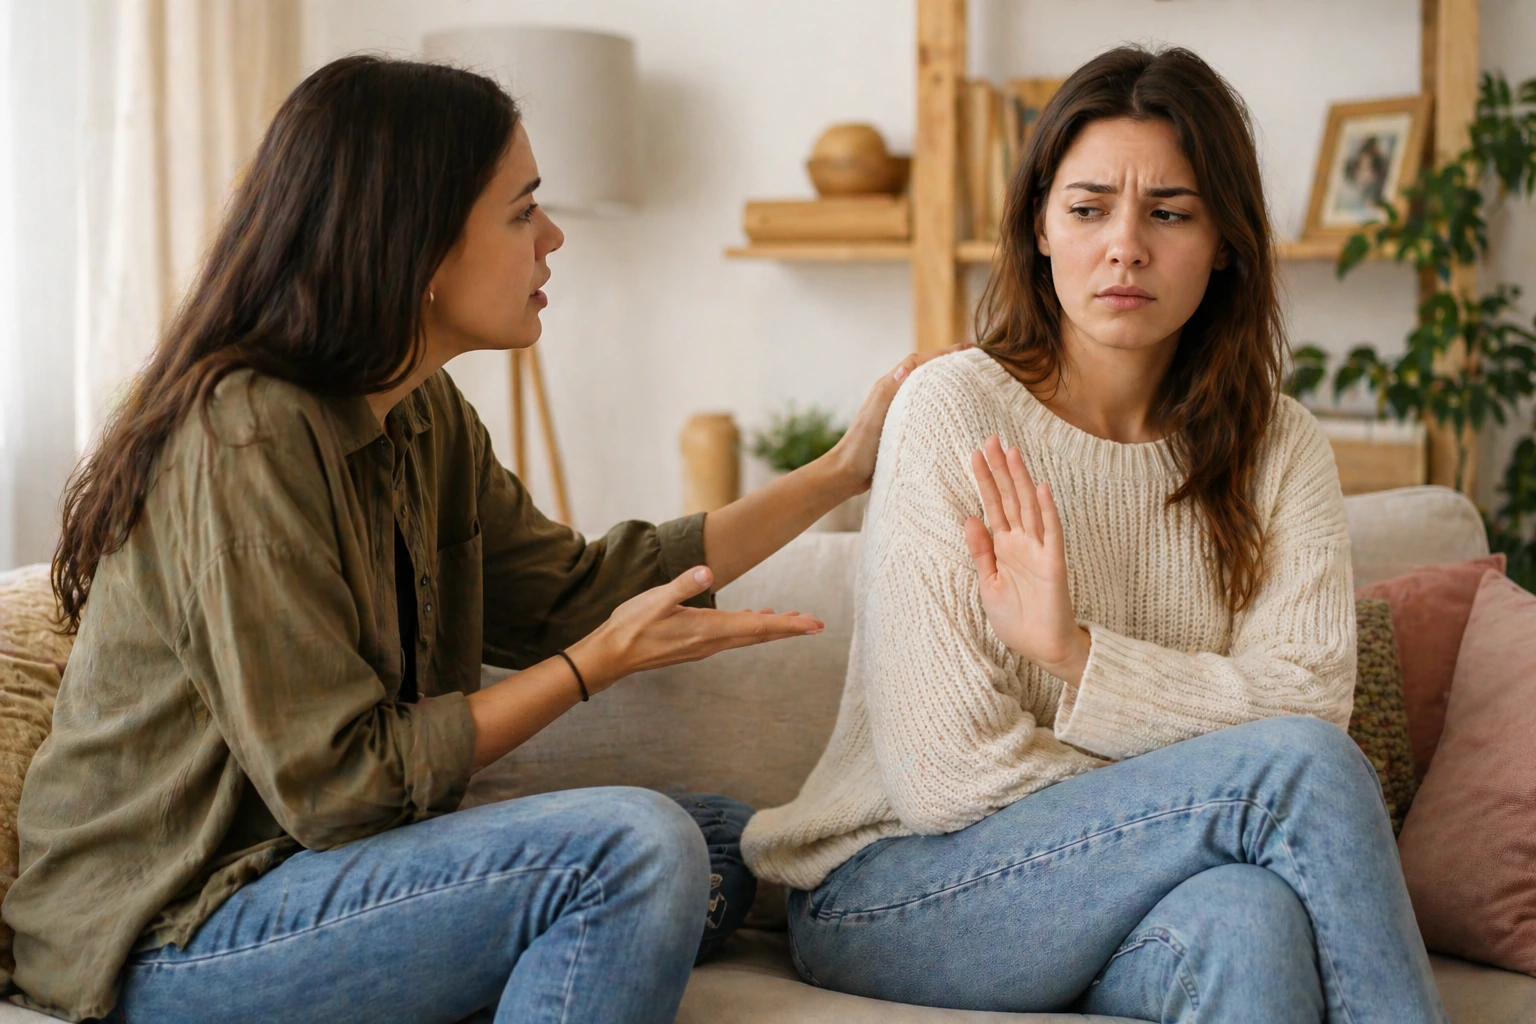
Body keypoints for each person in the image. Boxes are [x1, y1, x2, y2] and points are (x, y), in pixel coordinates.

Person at [4, 56, 944, 1024]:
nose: (553, 236)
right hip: (174, 930)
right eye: (522, 210)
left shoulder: (423, 411)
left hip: (321, 873)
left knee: (724, 845)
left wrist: (841, 471)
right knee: (637, 850)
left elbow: (576, 592)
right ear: (415, 244)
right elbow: (343, 785)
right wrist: (590, 669)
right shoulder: (243, 434)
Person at [742, 45, 1448, 1024]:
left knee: (1249, 920)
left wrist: (1077, 658)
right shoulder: (952, 412)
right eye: (1087, 209)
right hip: (897, 889)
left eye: (1170, 212)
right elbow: (948, 777)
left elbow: (1307, 699)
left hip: (1114, 881)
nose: (1125, 246)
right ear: (1039, 226)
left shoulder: (1281, 446)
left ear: (1226, 240)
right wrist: (1199, 794)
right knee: (1300, 773)